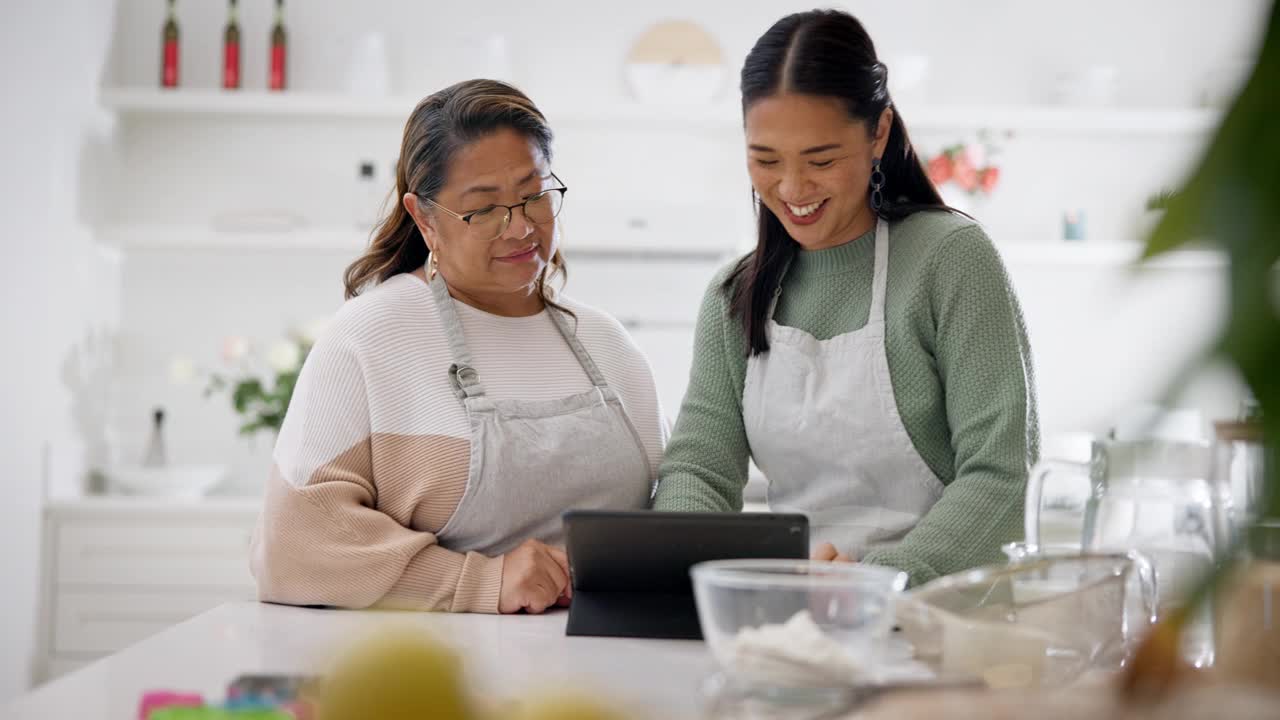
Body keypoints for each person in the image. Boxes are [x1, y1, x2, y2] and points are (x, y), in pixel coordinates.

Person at [653, 9, 1039, 587]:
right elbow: (699, 469)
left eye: (821, 160)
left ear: (878, 133)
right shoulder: (736, 293)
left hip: (941, 617)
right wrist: (678, 568)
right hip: (797, 614)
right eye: (765, 160)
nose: (791, 189)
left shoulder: (949, 257)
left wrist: (875, 583)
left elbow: (1002, 474)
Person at [252, 79, 667, 613]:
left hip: (604, 667)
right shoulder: (369, 337)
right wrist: (481, 581)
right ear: (424, 218)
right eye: (484, 210)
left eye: (534, 195)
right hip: (435, 676)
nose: (519, 228)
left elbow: (667, 513)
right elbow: (293, 549)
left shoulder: (609, 345)